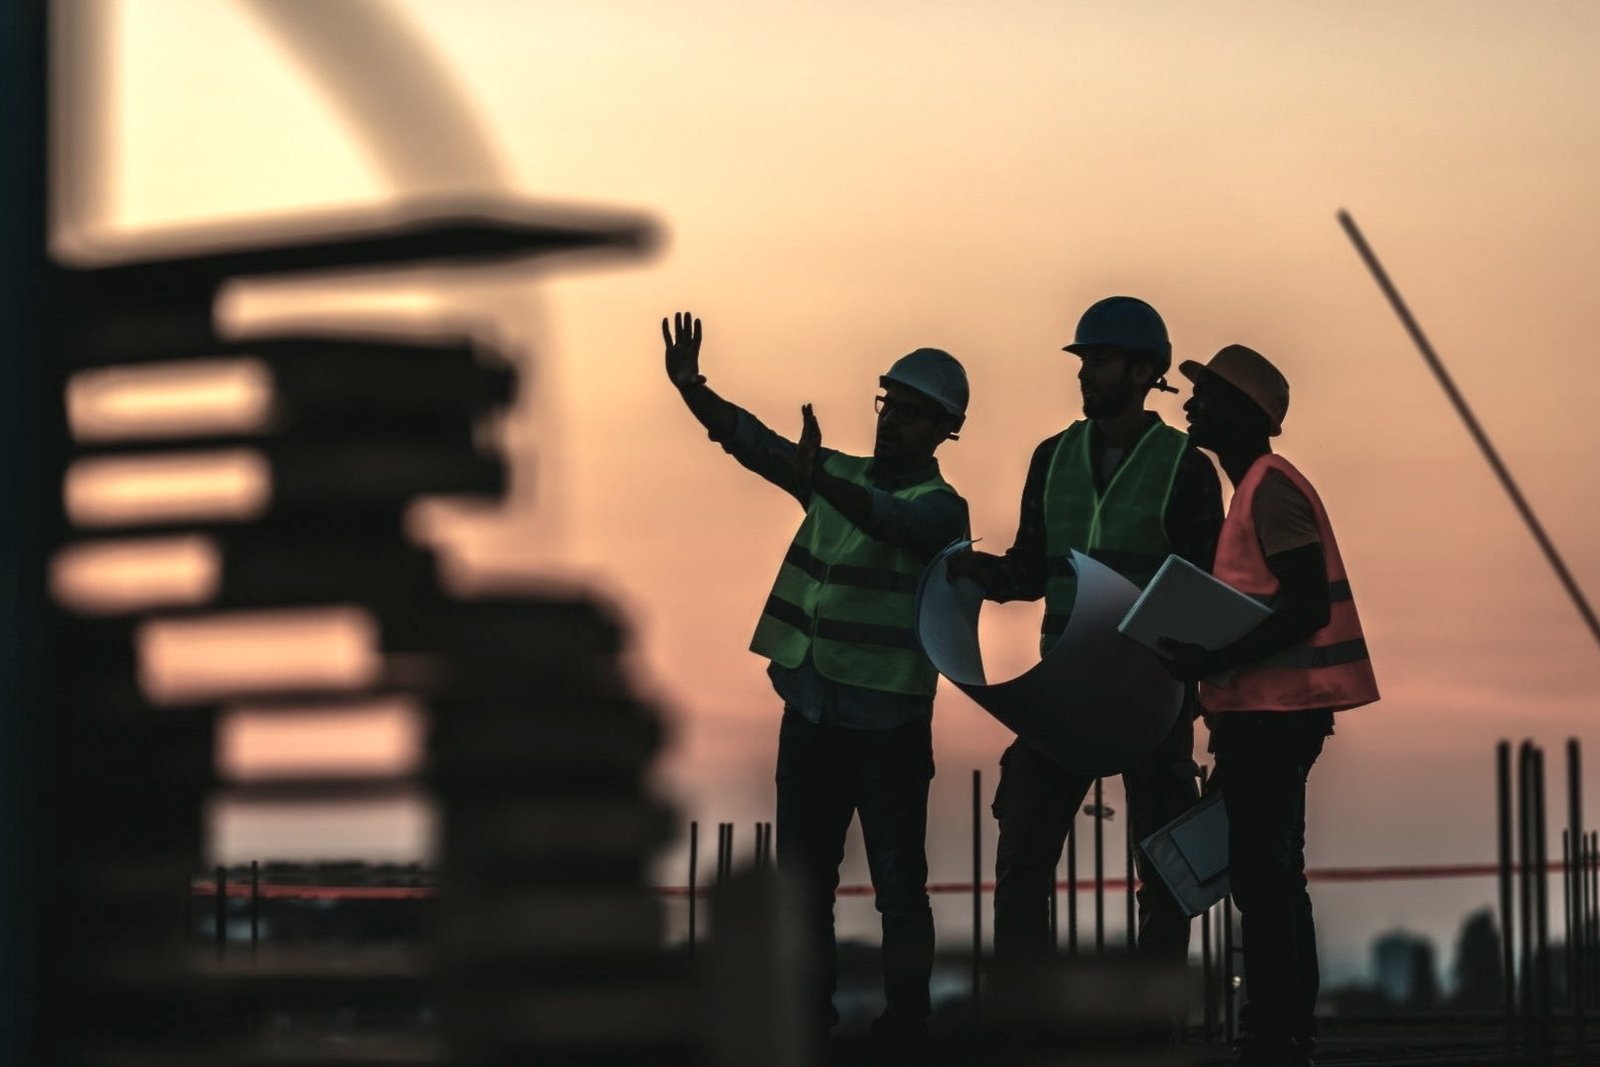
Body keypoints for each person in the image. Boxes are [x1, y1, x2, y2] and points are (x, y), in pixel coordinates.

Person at [661, 311, 970, 1058]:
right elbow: (759, 446)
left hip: (887, 729)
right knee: (804, 888)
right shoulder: (837, 476)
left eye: (909, 411)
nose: (891, 420)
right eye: (887, 403)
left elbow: (894, 522)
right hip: (811, 711)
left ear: (942, 430)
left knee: (899, 891)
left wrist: (820, 481)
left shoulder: (943, 509)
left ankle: (906, 1029)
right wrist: (694, 390)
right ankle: (808, 1023)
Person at [948, 296, 1223, 964]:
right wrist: (979, 573)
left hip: (1151, 697)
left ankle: (1152, 1028)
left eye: (1099, 361)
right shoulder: (1053, 458)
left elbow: (1205, 595)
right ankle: (1029, 1026)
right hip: (1067, 691)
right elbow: (1034, 567)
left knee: (1164, 872)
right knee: (1022, 859)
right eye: (1085, 361)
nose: (1085, 373)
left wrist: (1197, 695)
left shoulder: (1183, 466)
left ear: (1141, 371)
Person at [1162, 344, 1379, 1067]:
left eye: (1205, 395)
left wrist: (1212, 658)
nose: (1190, 405)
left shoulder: (1270, 489)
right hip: (1261, 717)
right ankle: (1284, 1027)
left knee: (1265, 878)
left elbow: (1306, 604)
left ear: (1241, 413)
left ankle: (1274, 1030)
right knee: (1273, 875)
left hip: (1277, 719)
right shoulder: (1252, 490)